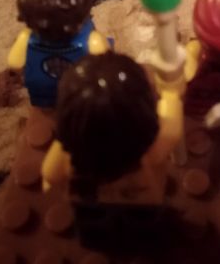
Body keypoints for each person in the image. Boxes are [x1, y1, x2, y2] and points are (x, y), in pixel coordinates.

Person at [42, 51, 184, 252]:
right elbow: (173, 127)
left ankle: (96, 241)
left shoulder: (67, 153)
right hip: (142, 199)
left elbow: (50, 174)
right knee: (144, 227)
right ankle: (143, 244)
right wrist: (170, 95)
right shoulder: (154, 146)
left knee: (91, 225)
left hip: (87, 200)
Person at [8, 0, 109, 107]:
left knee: (43, 112)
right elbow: (106, 62)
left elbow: (14, 63)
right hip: (81, 89)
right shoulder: (93, 41)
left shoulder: (26, 38)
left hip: (42, 88)